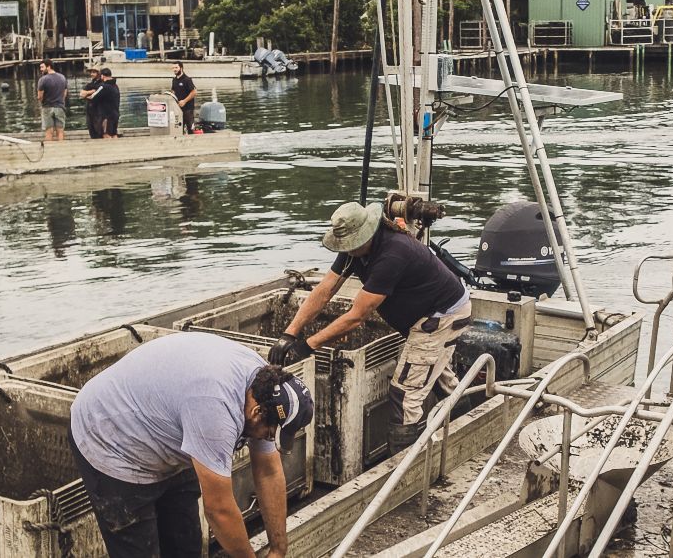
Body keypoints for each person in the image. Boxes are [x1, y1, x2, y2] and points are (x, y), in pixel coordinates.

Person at [69, 331, 312, 558]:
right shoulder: (216, 410)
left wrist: (278, 550)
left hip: (169, 432)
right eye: (270, 434)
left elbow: (269, 471)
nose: (268, 440)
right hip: (111, 437)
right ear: (257, 412)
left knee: (185, 546)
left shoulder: (263, 386)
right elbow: (219, 510)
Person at [269, 202, 470, 450]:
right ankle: (467, 426)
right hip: (425, 315)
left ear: (367, 233)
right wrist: (290, 333)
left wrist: (309, 345)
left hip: (441, 316)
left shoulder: (393, 253)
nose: (347, 249)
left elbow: (356, 316)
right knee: (433, 372)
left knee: (404, 393)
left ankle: (405, 468)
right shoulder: (353, 250)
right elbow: (324, 290)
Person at [36, 59, 68, 141]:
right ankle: (61, 149)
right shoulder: (62, 77)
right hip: (60, 107)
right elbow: (64, 94)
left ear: (49, 67)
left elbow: (39, 96)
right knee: (60, 131)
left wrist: (43, 102)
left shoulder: (43, 79)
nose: (41, 69)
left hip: (47, 107)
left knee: (49, 131)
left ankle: (49, 151)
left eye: (42, 67)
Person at [94, 67, 122, 138]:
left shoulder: (103, 86)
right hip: (115, 114)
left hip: (107, 117)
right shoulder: (115, 86)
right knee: (114, 134)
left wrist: (85, 95)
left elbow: (93, 97)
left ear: (102, 76)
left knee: (107, 135)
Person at [171, 62, 198, 133]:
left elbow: (194, 92)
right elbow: (173, 91)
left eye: (176, 67)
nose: (174, 69)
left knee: (191, 129)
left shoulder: (187, 79)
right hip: (178, 109)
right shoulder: (174, 80)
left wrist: (184, 101)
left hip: (188, 109)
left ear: (181, 68)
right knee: (179, 129)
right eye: (173, 68)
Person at [81, 66, 105, 140]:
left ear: (99, 73)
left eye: (94, 72)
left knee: (99, 130)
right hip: (89, 110)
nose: (91, 74)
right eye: (91, 72)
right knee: (91, 129)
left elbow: (98, 91)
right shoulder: (90, 83)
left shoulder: (102, 83)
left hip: (98, 110)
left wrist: (88, 93)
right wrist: (90, 92)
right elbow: (81, 94)